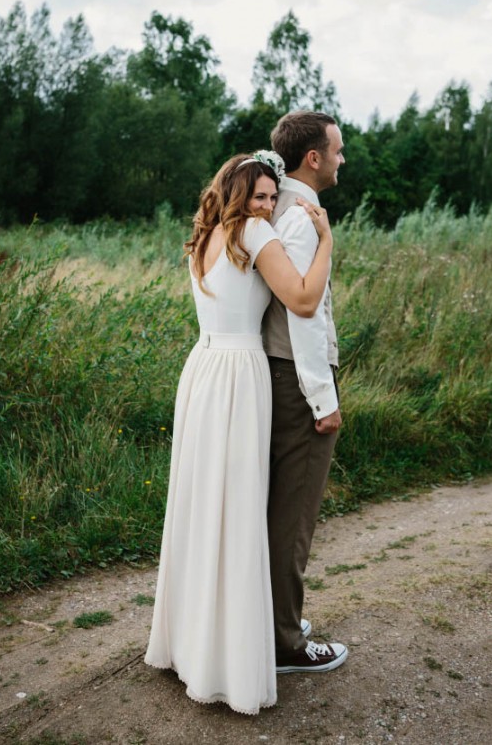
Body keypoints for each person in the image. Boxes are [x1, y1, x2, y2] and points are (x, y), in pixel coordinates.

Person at [145, 152, 333, 714]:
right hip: (238, 376)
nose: (269, 206)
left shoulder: (205, 235)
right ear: (236, 195)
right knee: (236, 512)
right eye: (259, 196)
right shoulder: (252, 232)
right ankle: (230, 654)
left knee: (204, 510)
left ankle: (194, 644)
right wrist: (325, 242)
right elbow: (301, 299)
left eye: (274, 198)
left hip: (202, 371)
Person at [262, 110, 348, 673]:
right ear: (312, 157)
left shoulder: (282, 207)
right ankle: (285, 643)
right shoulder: (299, 216)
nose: (343, 159)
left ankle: (275, 622)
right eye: (338, 150)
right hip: (298, 379)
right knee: (292, 519)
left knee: (278, 513)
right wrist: (324, 397)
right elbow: (303, 316)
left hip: (283, 376)